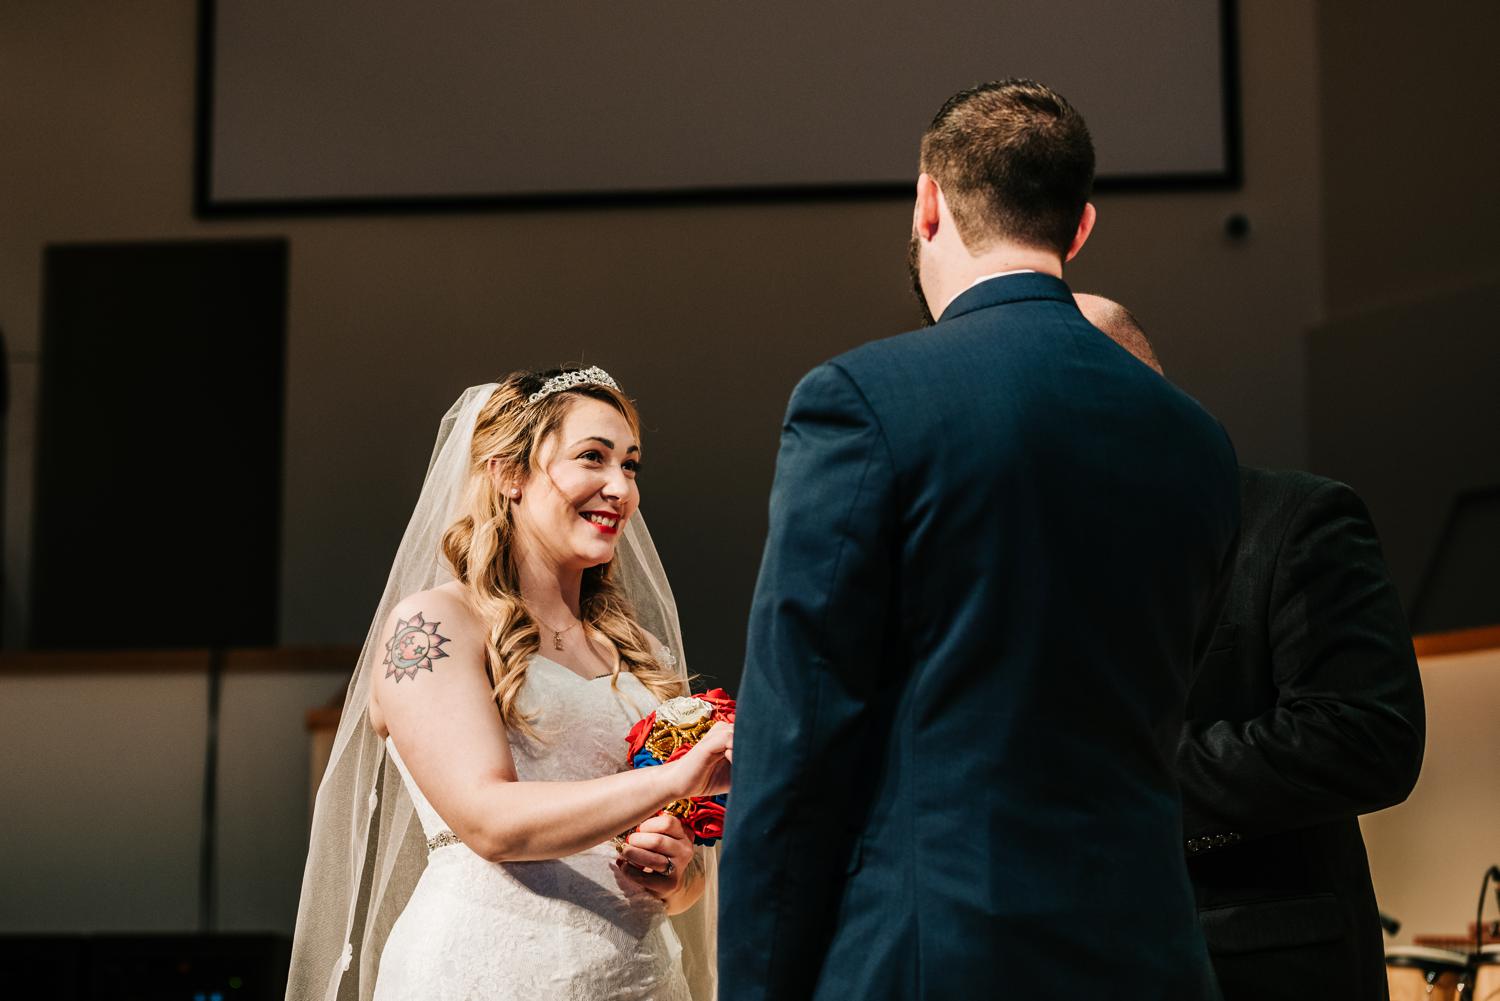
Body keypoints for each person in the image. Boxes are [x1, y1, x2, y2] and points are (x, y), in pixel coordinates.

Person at [717, 79, 1240, 1000]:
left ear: (927, 202)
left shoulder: (863, 399)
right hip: (1150, 953)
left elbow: (796, 733)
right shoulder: (1193, 438)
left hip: (938, 952)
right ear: (1079, 228)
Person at [285, 369, 731, 1001]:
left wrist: (675, 872)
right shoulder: (433, 624)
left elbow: (680, 873)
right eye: (591, 458)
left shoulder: (639, 654)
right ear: (508, 474)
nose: (619, 487)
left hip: (638, 979)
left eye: (630, 465)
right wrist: (676, 778)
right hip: (486, 970)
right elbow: (489, 821)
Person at [1077, 293, 1426, 1000]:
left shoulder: (1298, 520)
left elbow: (1367, 737)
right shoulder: (1042, 554)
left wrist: (1125, 777)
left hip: (1264, 970)